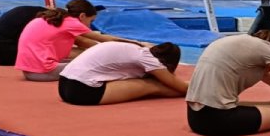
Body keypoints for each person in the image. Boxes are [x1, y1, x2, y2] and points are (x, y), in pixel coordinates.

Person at [14, 0, 132, 81]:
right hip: (42, 73)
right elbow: (105, 39)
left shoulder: (56, 19)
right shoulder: (72, 23)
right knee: (99, 65)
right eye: (91, 21)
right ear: (82, 16)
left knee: (86, 54)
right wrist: (136, 46)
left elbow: (86, 44)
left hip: (29, 71)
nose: (90, 26)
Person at [59, 41, 188, 105]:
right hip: (81, 91)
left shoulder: (138, 50)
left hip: (64, 83)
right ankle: (203, 92)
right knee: (153, 85)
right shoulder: (148, 59)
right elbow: (179, 87)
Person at [0, 0, 79, 66]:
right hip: (0, 53)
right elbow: (78, 39)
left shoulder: (43, 14)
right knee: (56, 50)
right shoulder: (52, 20)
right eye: (90, 21)